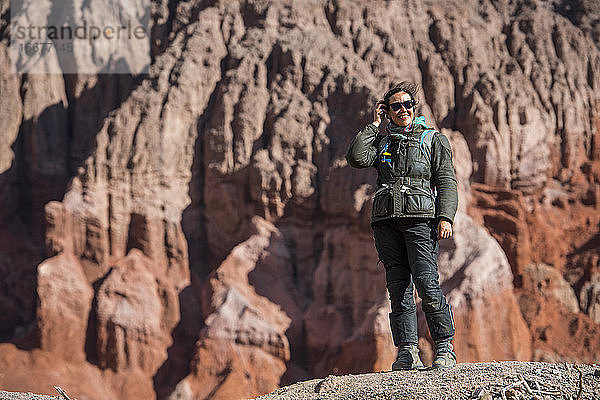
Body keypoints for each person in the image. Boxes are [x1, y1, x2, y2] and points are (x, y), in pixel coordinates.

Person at [346, 81, 458, 370]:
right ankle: (408, 351)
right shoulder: (381, 143)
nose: (403, 110)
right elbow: (356, 157)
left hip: (421, 222)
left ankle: (444, 346)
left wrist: (445, 217)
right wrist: (373, 125)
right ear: (388, 111)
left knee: (427, 283)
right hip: (386, 224)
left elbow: (446, 181)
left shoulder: (432, 140)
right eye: (395, 106)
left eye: (407, 104)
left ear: (414, 107)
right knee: (398, 289)